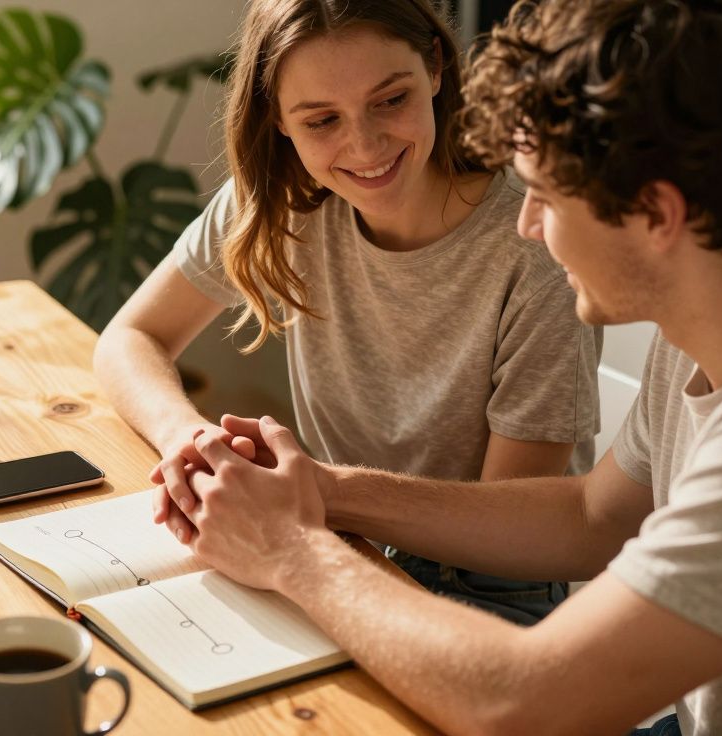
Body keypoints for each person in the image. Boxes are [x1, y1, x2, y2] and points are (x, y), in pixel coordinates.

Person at [158, 0, 722, 733]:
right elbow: (597, 516)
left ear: (657, 214)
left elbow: (525, 701)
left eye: (547, 197)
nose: (527, 223)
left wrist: (292, 553)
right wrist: (325, 490)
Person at [94, 0, 601, 624]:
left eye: (391, 100)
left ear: (436, 67)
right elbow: (131, 337)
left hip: (487, 585)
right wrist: (191, 439)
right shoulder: (280, 203)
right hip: (338, 535)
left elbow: (511, 521)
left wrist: (314, 498)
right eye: (321, 120)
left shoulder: (534, 241)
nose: (365, 145)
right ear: (277, 119)